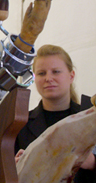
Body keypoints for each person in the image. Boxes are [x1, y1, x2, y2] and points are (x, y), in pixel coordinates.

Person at [15, 44, 96, 182]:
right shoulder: (20, 124)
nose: (48, 78)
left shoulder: (91, 117)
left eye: (56, 71)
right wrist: (13, 168)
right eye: (41, 73)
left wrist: (93, 163)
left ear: (71, 76)